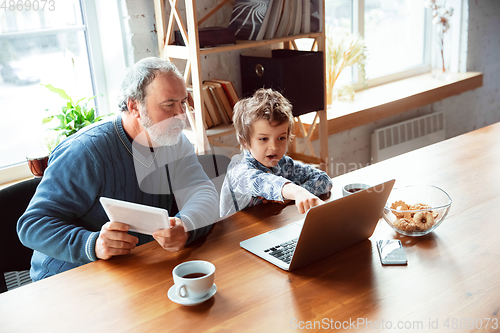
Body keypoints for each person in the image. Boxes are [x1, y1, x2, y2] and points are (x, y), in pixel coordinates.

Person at [18, 57, 219, 281]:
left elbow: (204, 193)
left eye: (183, 102)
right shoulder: (86, 152)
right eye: (169, 105)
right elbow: (32, 225)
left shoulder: (174, 141)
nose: (180, 115)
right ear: (134, 106)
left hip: (135, 270)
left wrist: (186, 225)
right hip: (68, 278)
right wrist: (92, 244)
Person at [220, 88, 332, 217]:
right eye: (263, 139)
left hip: (270, 227)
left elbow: (324, 180)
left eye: (281, 138)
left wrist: (293, 196)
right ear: (245, 140)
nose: (273, 147)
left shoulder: (284, 164)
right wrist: (295, 191)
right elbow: (263, 182)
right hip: (236, 235)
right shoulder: (238, 170)